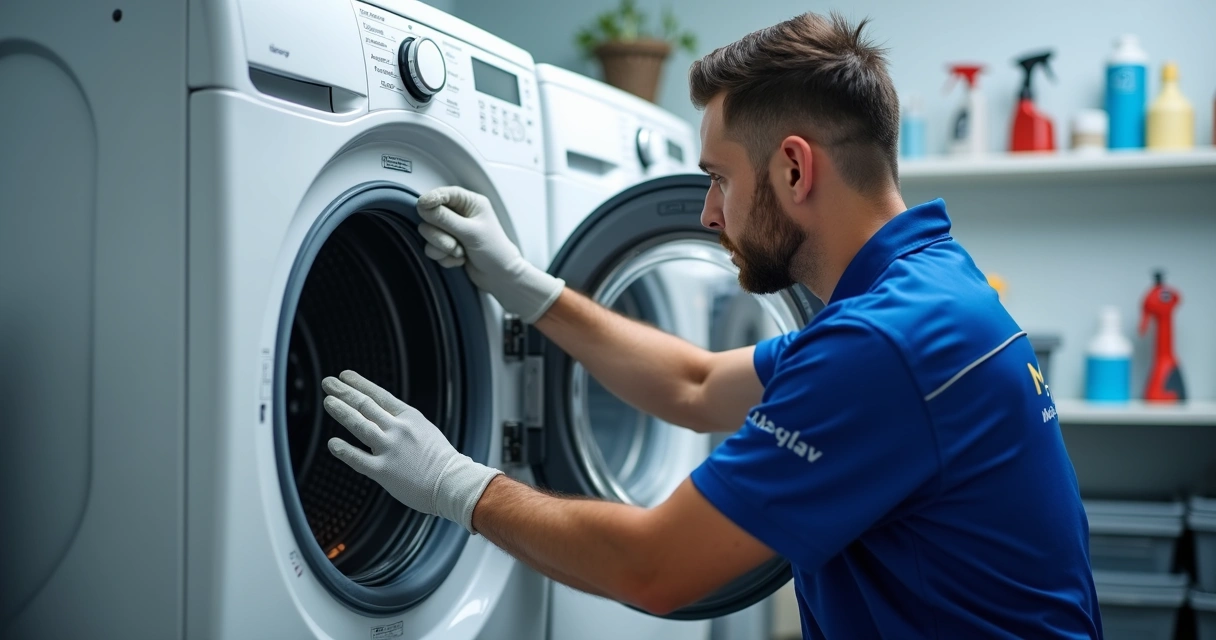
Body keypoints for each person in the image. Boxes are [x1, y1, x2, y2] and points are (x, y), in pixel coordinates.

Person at [317, 11, 1102, 639]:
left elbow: (655, 569)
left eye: (720, 178)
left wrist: (456, 485)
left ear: (795, 169)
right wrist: (527, 287)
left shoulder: (883, 346)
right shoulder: (926, 291)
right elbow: (695, 385)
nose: (708, 213)